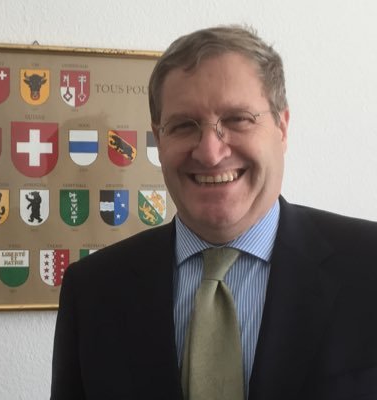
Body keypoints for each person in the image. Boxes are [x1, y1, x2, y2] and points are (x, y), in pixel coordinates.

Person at [51, 25, 377, 400]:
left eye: (237, 119)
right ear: (159, 139)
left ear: (282, 128)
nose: (209, 152)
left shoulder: (369, 266)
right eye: (183, 125)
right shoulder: (92, 291)